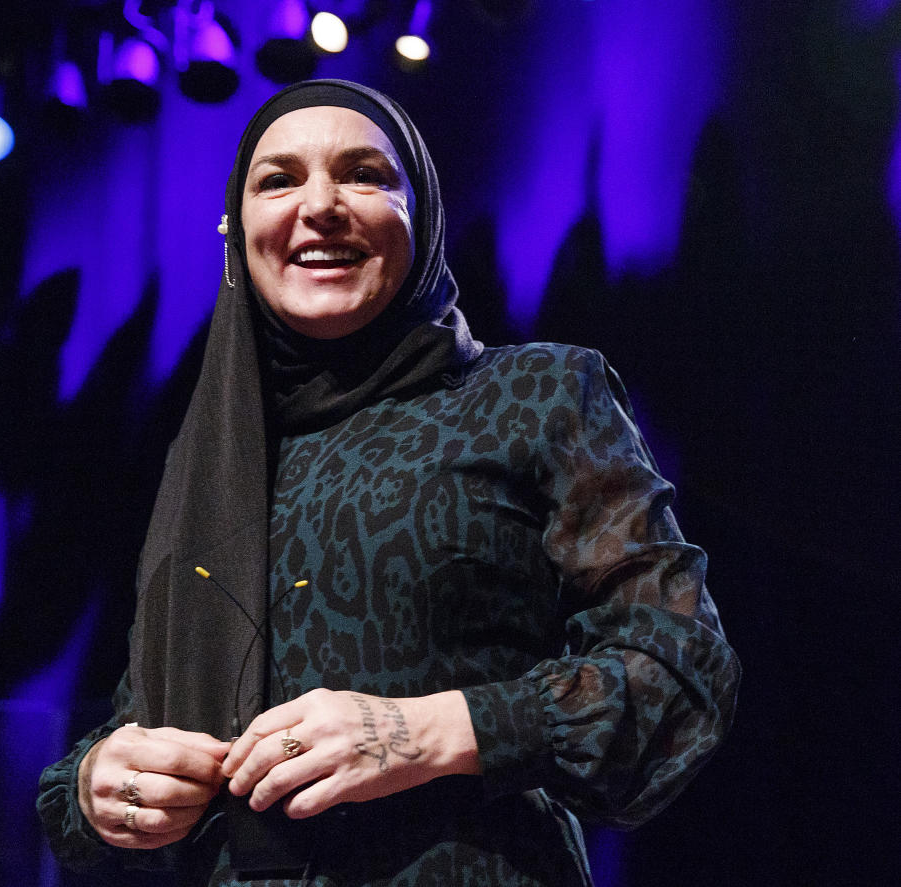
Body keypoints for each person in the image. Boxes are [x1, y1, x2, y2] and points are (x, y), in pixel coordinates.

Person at [37, 79, 740, 886]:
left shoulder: (537, 394)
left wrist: (425, 732)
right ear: (237, 230)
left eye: (365, 173)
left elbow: (678, 667)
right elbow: (146, 718)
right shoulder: (209, 452)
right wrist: (99, 784)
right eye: (279, 179)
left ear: (426, 215)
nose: (321, 205)